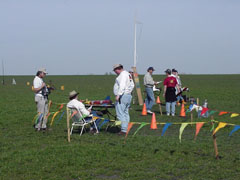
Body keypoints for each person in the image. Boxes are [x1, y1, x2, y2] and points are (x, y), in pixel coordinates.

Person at [113, 64, 134, 135]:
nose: (115, 72)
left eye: (115, 70)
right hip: (128, 95)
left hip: (122, 96)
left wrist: (118, 95)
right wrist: (129, 92)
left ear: (118, 69)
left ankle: (123, 130)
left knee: (120, 113)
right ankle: (127, 128)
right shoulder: (128, 74)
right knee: (125, 113)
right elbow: (132, 85)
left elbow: (122, 86)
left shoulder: (122, 75)